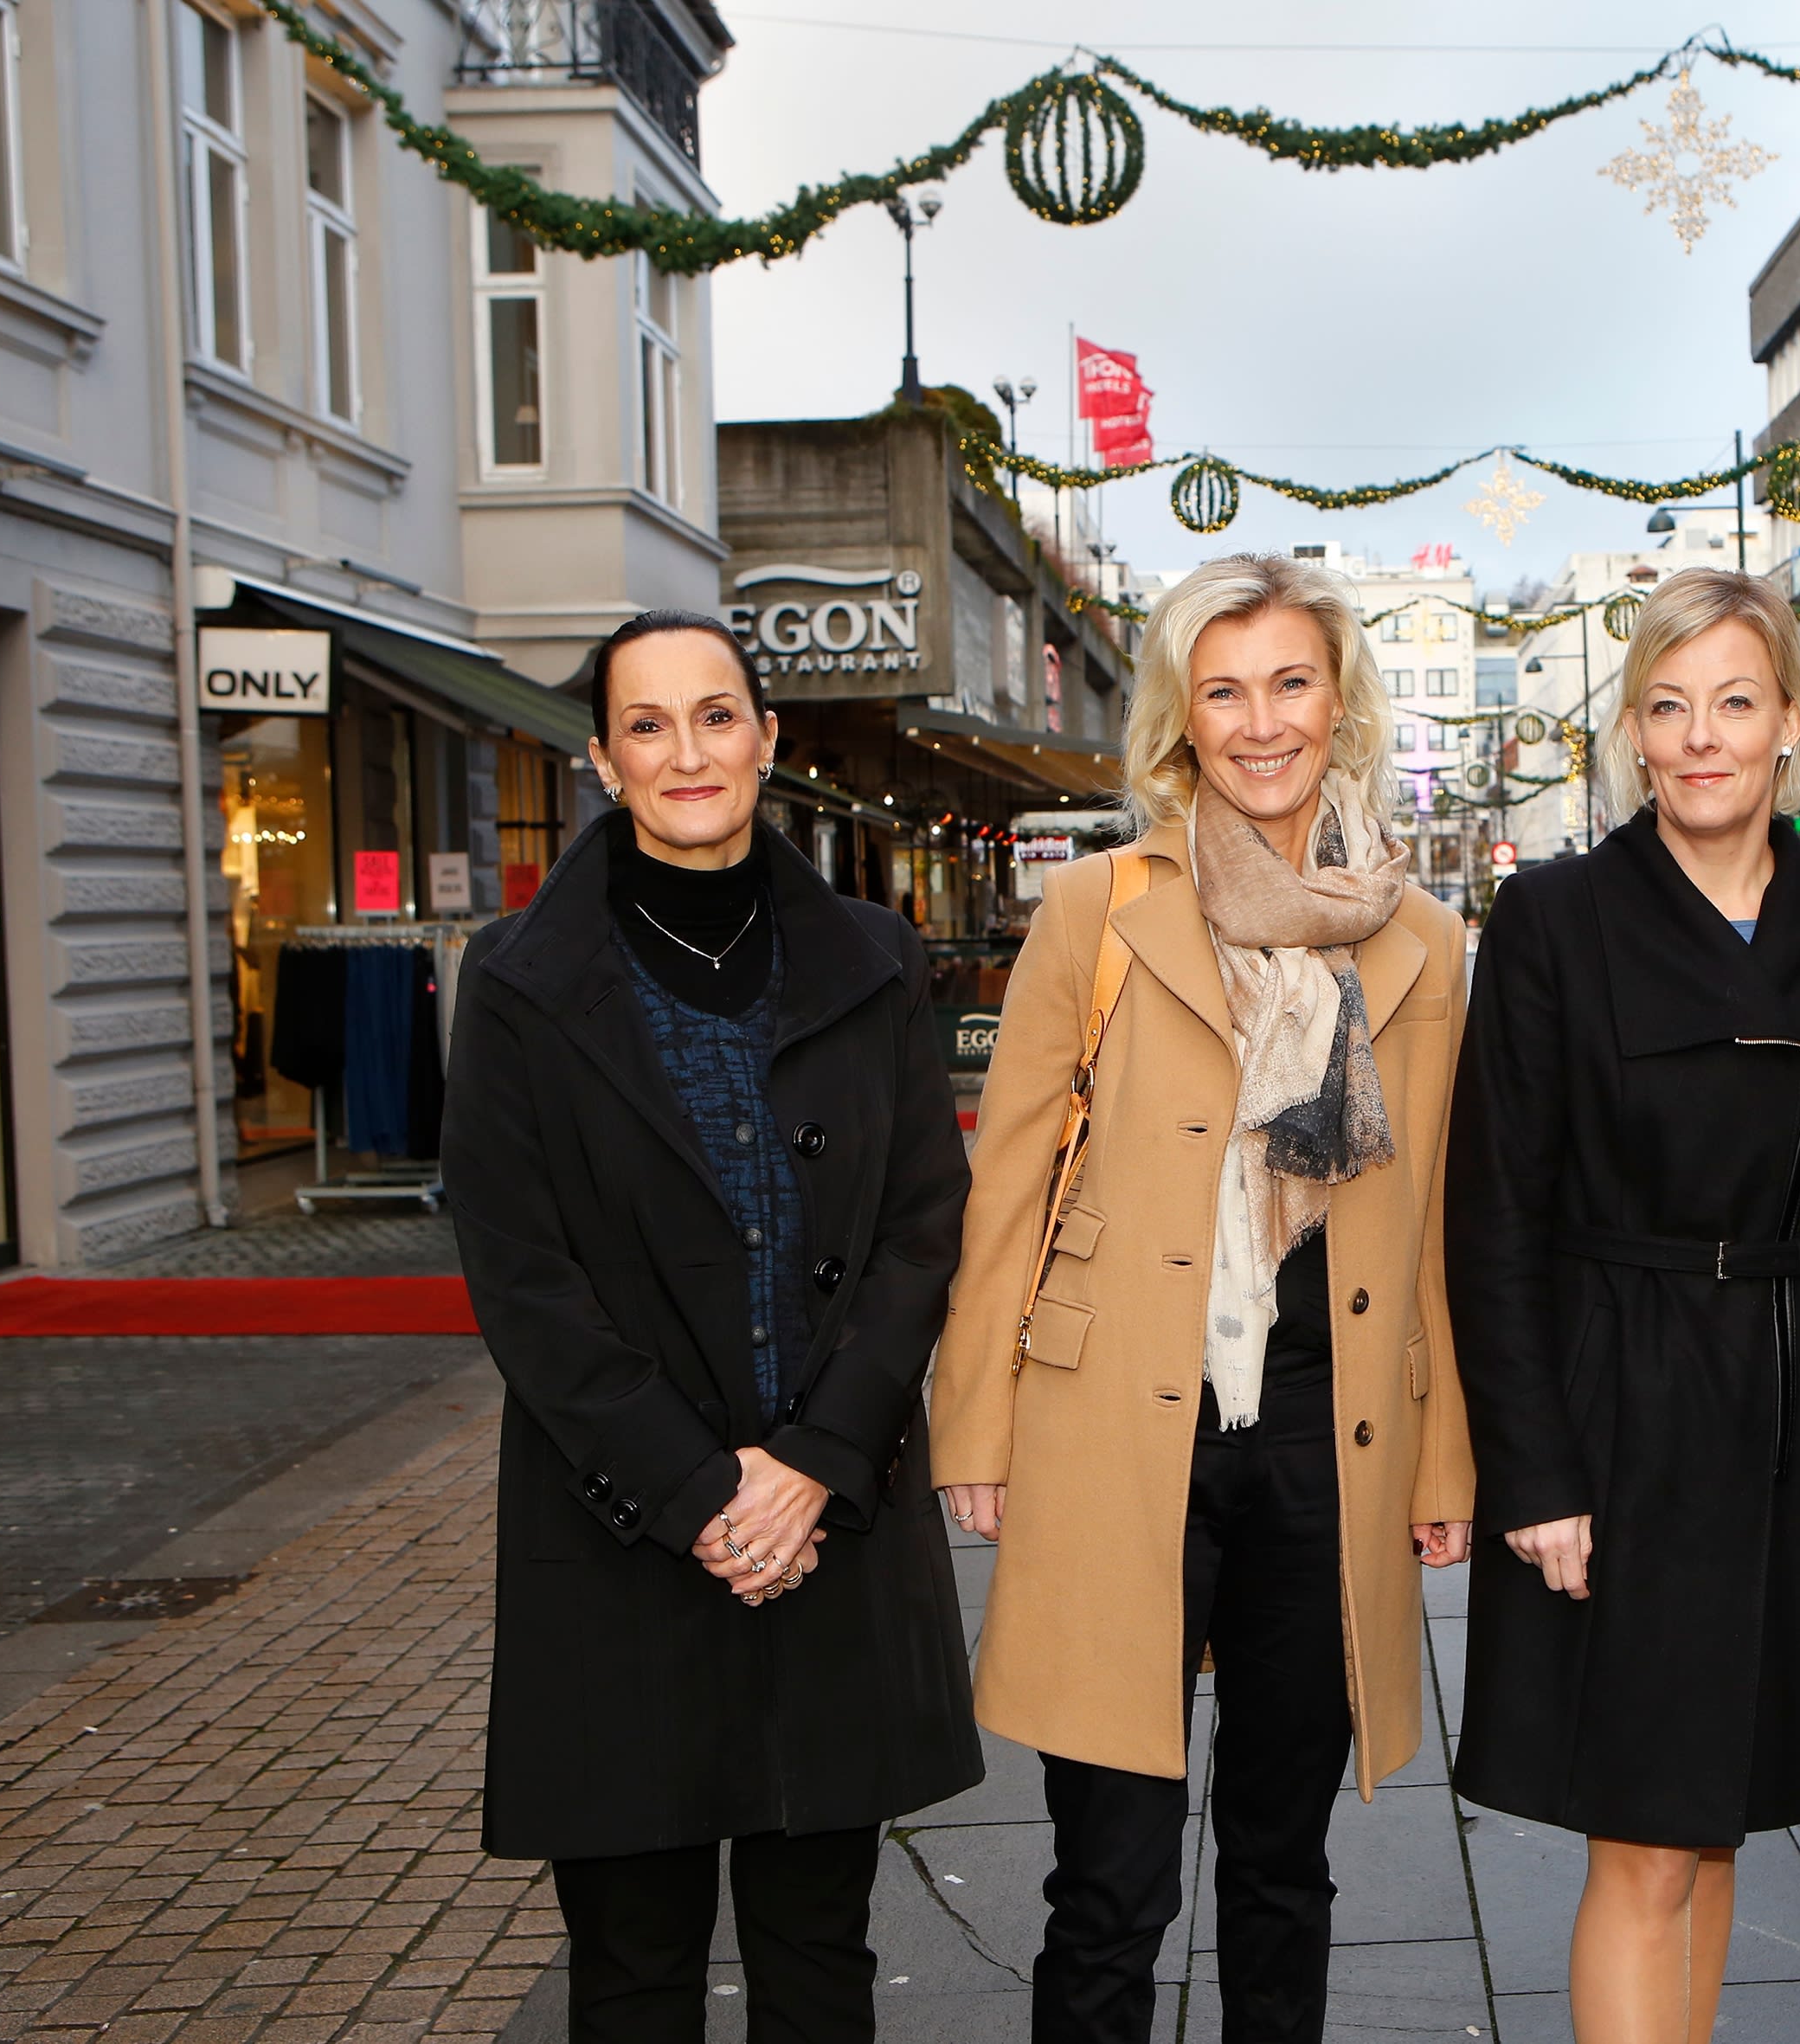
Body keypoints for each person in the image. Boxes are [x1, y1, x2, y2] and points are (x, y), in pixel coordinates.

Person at [930, 555, 1475, 2044]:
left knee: (1282, 1863)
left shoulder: (1419, 938)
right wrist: (973, 1424)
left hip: (1322, 1436)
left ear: (1339, 700)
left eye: (1289, 682)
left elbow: (1432, 1217)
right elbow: (1009, 1184)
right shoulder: (1095, 907)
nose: (1260, 721)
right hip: (1118, 1427)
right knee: (1107, 1883)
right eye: (1223, 690)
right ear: (1181, 715)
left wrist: (1442, 1460)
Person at [443, 608, 981, 2044]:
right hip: (620, 1539)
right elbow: (520, 1272)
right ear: (603, 759)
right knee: (632, 1975)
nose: (687, 751)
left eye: (716, 715)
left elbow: (923, 1226)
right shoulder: (517, 980)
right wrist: (698, 1493)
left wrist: (812, 1462)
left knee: (819, 1960)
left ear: (767, 737)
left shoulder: (874, 956)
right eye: (648, 724)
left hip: (831, 1534)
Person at [1444, 568, 1800, 2044]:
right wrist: (1531, 1470)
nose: (1700, 736)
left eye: (1733, 701)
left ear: (1789, 720)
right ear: (1632, 733)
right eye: (1666, 707)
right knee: (1646, 1833)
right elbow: (1493, 1216)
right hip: (1618, 1408)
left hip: (1794, 1409)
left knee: (1721, 1815)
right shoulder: (1553, 917)